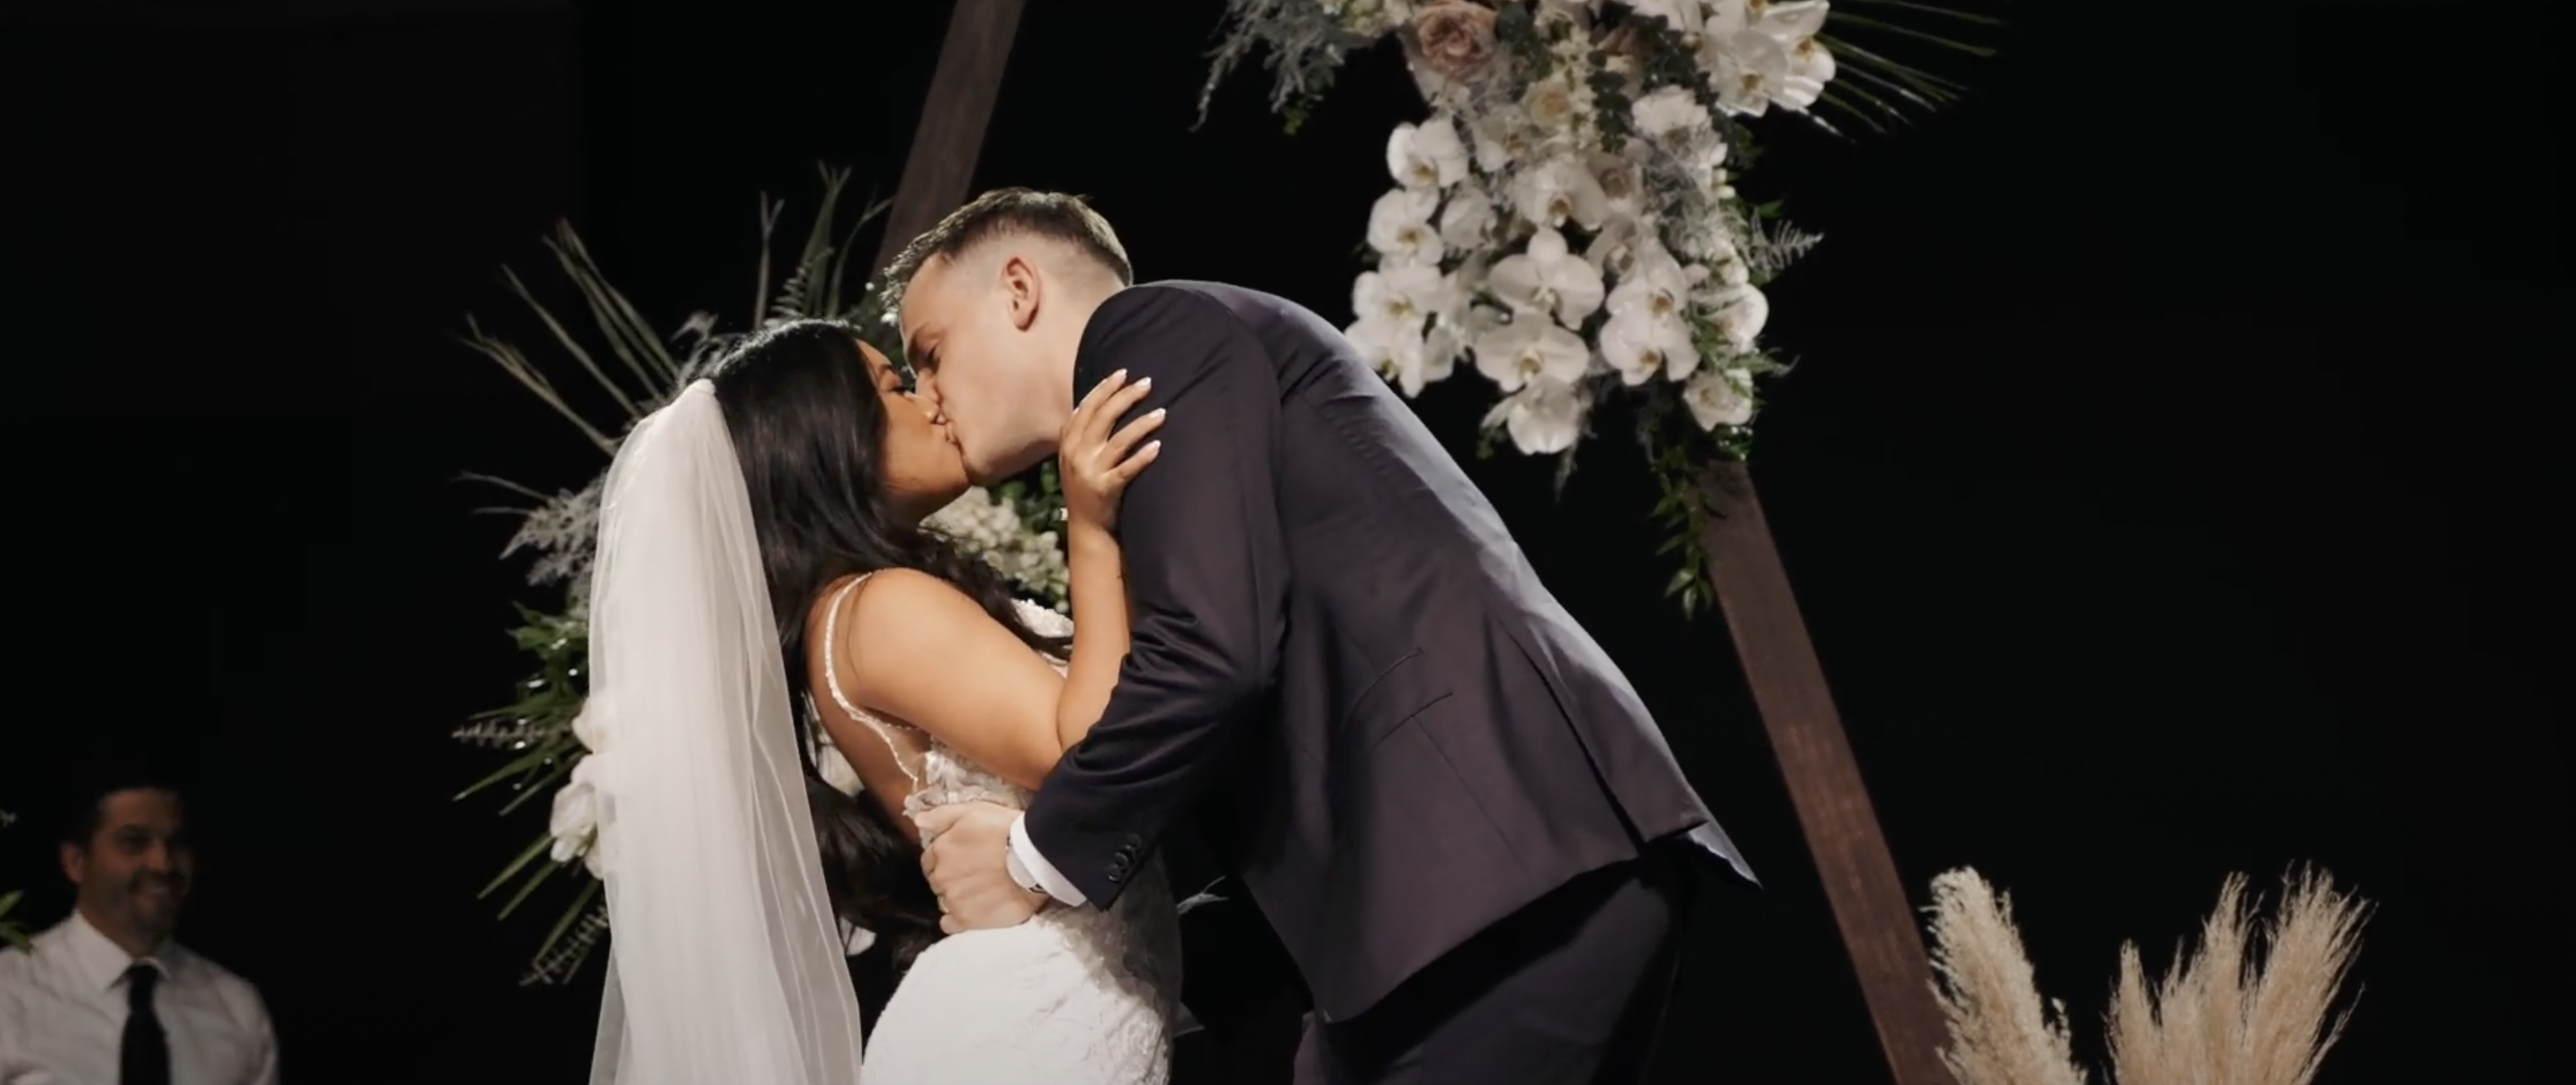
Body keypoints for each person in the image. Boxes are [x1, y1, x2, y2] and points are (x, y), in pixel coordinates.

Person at [893, 188, 1759, 1085]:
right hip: (1463, 902)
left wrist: (1030, 861)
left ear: (1021, 290)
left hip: (1496, 885)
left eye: (930, 354)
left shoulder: (1150, 329)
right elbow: (1262, 732)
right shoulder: (1151, 427)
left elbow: (1213, 658)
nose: (931, 399)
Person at [576, 318, 1180, 1084]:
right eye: (895, 386)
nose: (931, 400)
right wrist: (1090, 527)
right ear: (828, 444)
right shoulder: (876, 609)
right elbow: (1088, 751)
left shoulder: (849, 617)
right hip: (1025, 1028)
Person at [0, 774, 279, 1085]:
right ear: (76, 862)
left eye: (176, 843)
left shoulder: (236, 1008)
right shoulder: (8, 991)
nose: (163, 863)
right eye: (134, 842)